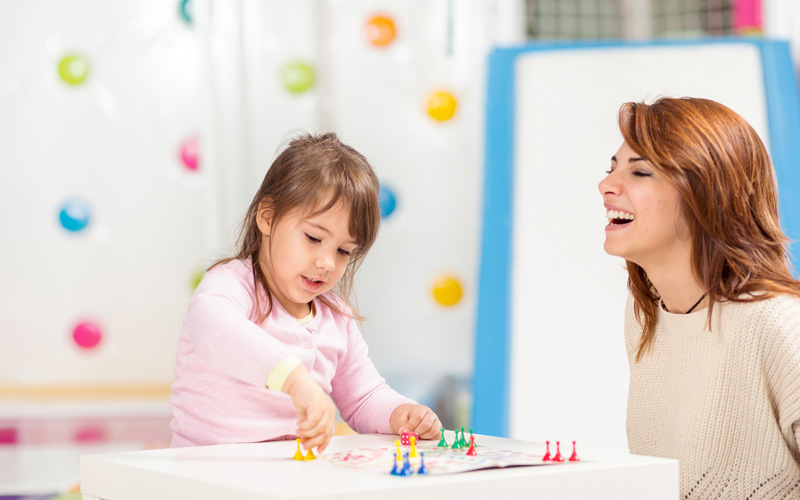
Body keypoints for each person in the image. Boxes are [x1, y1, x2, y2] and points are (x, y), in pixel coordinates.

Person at [169, 132, 441, 452]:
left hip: (293, 479)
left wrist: (401, 414)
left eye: (344, 251)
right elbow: (213, 330)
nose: (327, 262)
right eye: (313, 238)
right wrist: (293, 378)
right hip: (208, 477)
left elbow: (364, 396)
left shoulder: (336, 319)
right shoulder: (231, 285)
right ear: (267, 217)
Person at [598, 97, 800, 498]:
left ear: (705, 192)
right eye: (612, 168)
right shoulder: (645, 315)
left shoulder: (779, 323)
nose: (606, 185)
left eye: (640, 171)